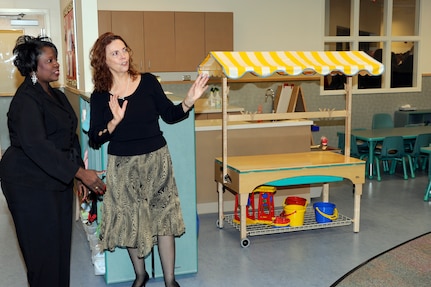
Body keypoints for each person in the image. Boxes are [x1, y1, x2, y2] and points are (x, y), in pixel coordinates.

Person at [88, 32, 209, 287]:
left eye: (124, 50)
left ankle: (170, 280)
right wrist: (114, 122)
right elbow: (95, 138)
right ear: (104, 61)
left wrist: (188, 101)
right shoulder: (100, 95)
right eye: (115, 53)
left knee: (164, 219)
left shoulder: (149, 82)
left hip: (157, 161)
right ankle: (140, 275)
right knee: (131, 222)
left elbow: (170, 114)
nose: (123, 56)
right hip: (122, 165)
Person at [0, 35, 106, 287]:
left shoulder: (56, 95)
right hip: (28, 184)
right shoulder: (26, 99)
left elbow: (69, 135)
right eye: (50, 60)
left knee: (59, 248)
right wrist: (80, 173)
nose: (57, 64)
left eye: (56, 58)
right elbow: (38, 146)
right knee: (42, 255)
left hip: (55, 180)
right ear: (34, 67)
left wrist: (77, 171)